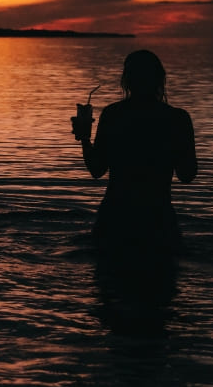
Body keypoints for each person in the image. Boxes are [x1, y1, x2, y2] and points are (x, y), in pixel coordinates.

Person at [72, 49, 197, 258]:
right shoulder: (178, 119)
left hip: (115, 220)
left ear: (126, 81)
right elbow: (187, 175)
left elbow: (96, 169)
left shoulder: (114, 115)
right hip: (158, 222)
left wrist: (84, 138)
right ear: (160, 80)